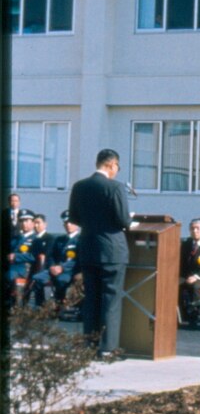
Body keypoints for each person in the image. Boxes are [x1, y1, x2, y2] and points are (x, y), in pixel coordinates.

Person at [68, 148, 132, 359]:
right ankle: (107, 348)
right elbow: (123, 220)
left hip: (88, 247)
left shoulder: (79, 187)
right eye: (117, 167)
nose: (117, 171)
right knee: (111, 300)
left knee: (92, 298)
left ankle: (90, 345)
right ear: (112, 165)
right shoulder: (115, 187)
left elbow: (74, 218)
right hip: (112, 250)